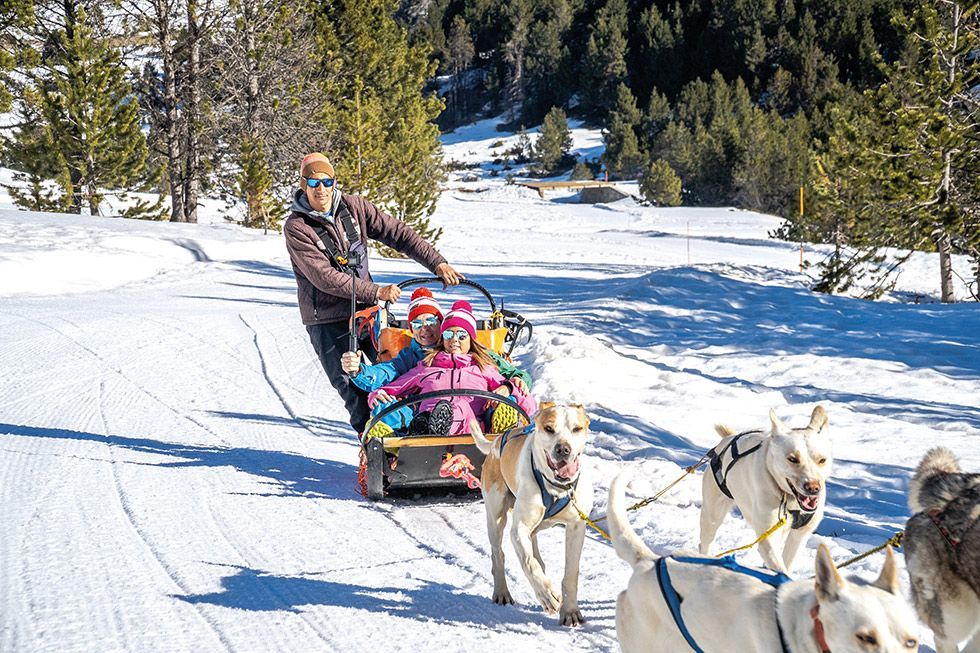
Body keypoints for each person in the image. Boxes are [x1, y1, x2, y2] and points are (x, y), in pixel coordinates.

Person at [283, 152, 462, 433]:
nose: (321, 189)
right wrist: (376, 291)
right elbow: (324, 277)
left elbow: (399, 234)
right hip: (328, 320)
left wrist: (436, 261)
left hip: (368, 313)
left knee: (399, 372)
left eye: (327, 181)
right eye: (314, 183)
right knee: (353, 390)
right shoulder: (297, 228)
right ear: (303, 184)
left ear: (334, 182)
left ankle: (413, 441)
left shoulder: (355, 208)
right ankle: (376, 453)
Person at [343, 288, 533, 438]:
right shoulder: (423, 363)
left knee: (507, 403)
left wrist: (511, 387)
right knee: (388, 408)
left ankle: (504, 436)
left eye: (431, 321)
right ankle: (402, 442)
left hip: (471, 423)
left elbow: (516, 381)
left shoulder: (482, 362)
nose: (424, 328)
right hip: (427, 413)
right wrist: (360, 373)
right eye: (417, 324)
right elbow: (389, 377)